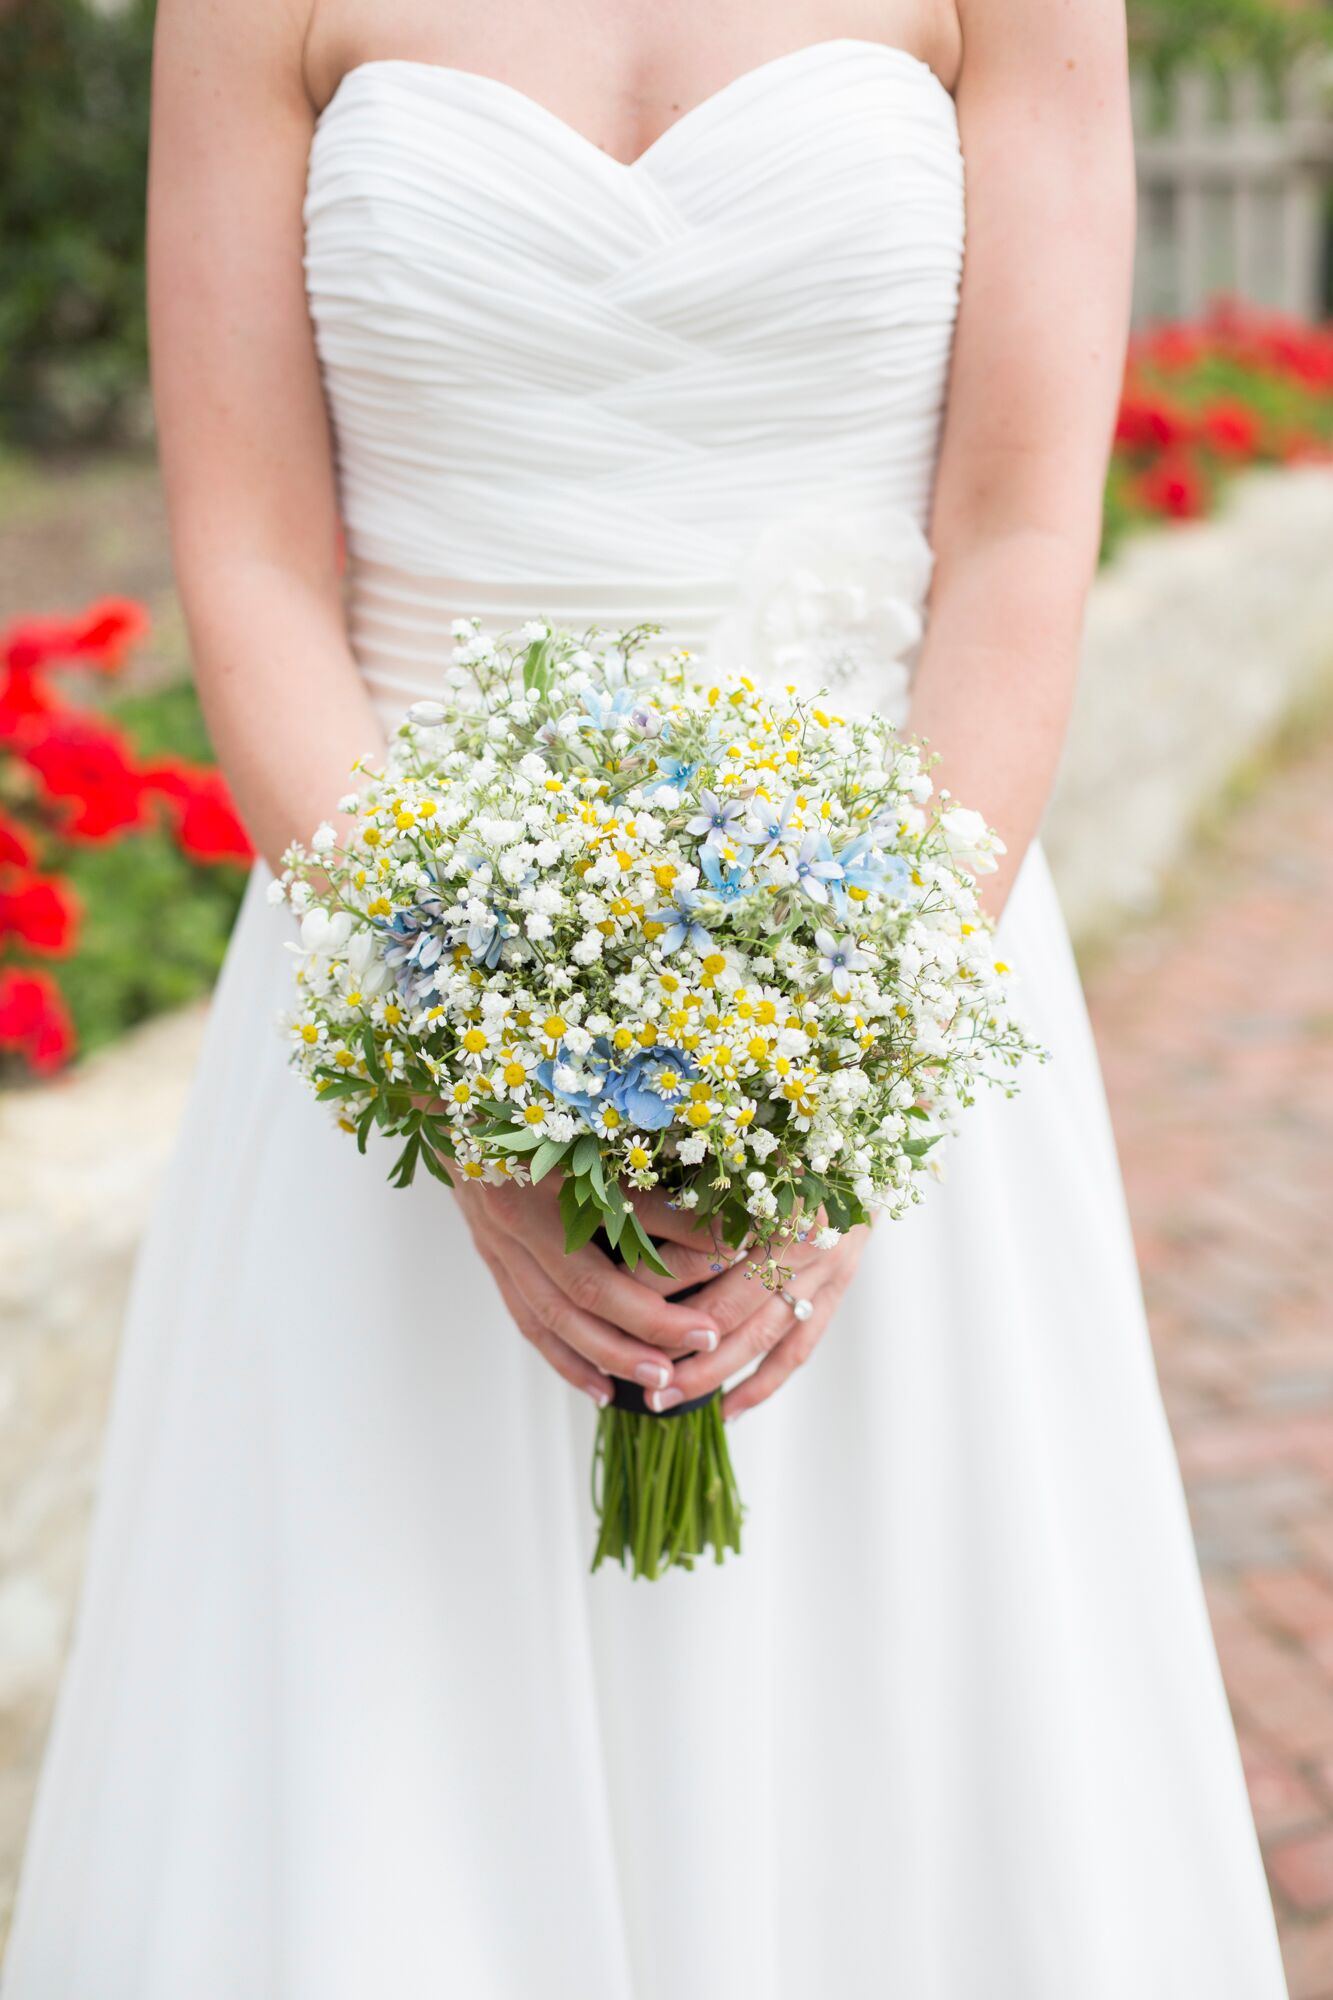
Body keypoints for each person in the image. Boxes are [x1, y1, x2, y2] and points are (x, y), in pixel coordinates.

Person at [2, 4, 1290, 1995]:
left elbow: (1019, 535)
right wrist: (450, 1073)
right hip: (393, 1009)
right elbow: (254, 560)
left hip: (884, 987)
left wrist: (859, 1068)